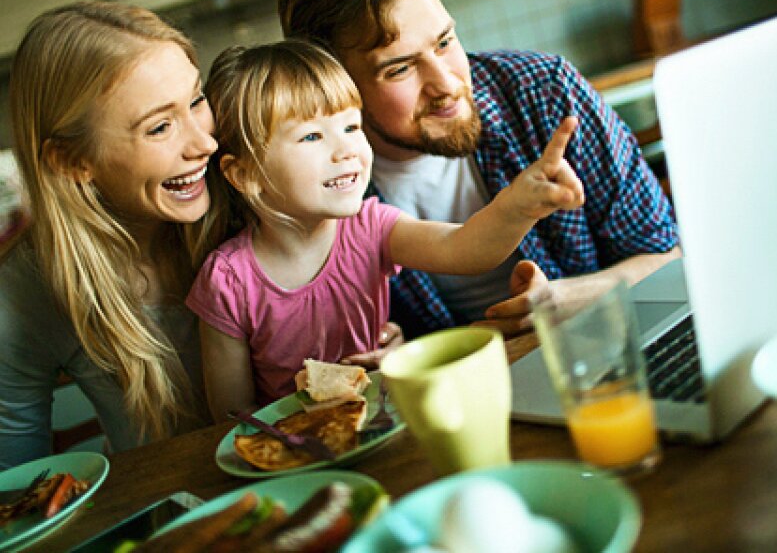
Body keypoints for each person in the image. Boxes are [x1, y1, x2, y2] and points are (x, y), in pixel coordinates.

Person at [278, 0, 681, 340]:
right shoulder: (312, 187)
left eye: (444, 42)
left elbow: (669, 260)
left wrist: (559, 301)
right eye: (399, 68)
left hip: (599, 354)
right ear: (332, 87)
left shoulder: (546, 93)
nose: (446, 85)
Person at [185, 39, 583, 420]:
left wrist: (518, 206)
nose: (346, 150)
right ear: (245, 174)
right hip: (297, 452)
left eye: (351, 127)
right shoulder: (227, 282)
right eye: (311, 136)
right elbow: (233, 416)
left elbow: (464, 248)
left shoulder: (369, 226)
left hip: (386, 423)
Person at [0, 1, 228, 469]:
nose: (204, 142)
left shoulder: (243, 193)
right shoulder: (31, 287)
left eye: (197, 100)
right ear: (71, 161)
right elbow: (16, 485)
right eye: (160, 126)